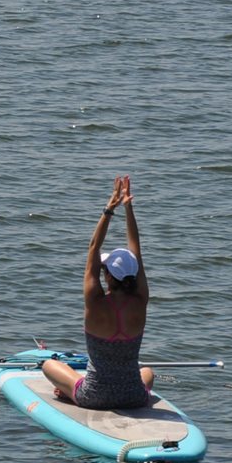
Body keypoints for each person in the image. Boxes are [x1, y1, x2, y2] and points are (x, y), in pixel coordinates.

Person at [43, 175, 156, 409]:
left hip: (94, 397)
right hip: (134, 396)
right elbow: (138, 251)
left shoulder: (95, 302)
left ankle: (69, 392)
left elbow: (93, 248)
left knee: (48, 365)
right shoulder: (141, 300)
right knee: (147, 372)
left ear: (107, 276)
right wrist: (128, 207)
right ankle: (77, 389)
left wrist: (109, 208)